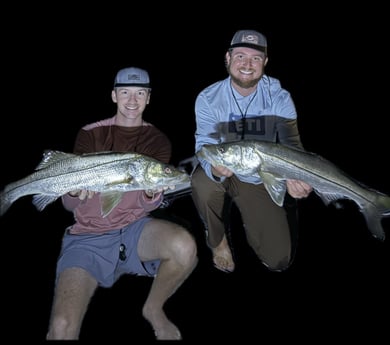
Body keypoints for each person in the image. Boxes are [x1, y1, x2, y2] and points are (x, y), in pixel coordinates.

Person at [46, 67, 198, 340]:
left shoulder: (157, 140)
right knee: (61, 327)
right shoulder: (90, 133)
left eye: (140, 93)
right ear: (114, 95)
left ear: (148, 98)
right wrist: (73, 193)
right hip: (88, 237)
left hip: (134, 229)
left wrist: (153, 193)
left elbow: (146, 201)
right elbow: (70, 204)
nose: (132, 100)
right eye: (125, 92)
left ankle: (153, 308)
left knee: (185, 246)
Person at [191, 30, 312, 274]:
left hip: (260, 176)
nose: (247, 64)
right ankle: (217, 239)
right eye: (240, 56)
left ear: (265, 62)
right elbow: (204, 145)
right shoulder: (208, 98)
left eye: (256, 58)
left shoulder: (279, 98)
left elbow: (292, 145)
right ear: (228, 58)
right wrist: (213, 167)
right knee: (202, 184)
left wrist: (295, 176)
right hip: (224, 171)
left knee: (278, 259)